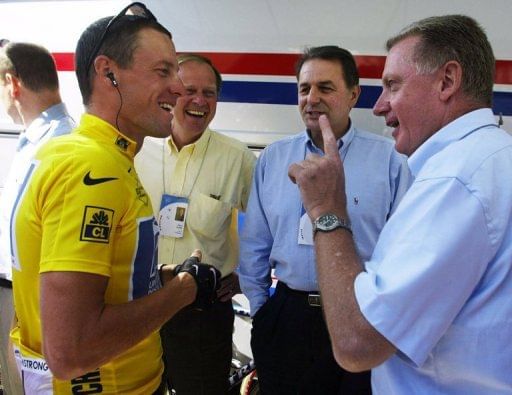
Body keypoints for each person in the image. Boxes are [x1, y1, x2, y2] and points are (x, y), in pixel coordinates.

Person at [288, 15, 512, 394]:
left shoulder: (455, 182)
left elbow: (357, 344)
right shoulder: (491, 159)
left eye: (392, 85)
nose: (380, 106)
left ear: (447, 81)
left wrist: (327, 211)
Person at [9, 3, 220, 394]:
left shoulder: (92, 154)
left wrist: (159, 279)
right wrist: (183, 291)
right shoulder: (94, 168)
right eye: (163, 71)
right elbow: (72, 349)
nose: (177, 87)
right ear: (108, 72)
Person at [238, 45, 411, 394]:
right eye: (304, 89)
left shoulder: (389, 161)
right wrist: (262, 311)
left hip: (360, 315)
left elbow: (403, 249)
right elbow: (255, 241)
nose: (312, 98)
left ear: (353, 94)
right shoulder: (274, 158)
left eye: (325, 88)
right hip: (287, 318)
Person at [135, 53, 256, 395]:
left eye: (210, 93)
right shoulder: (138, 148)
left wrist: (246, 276)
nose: (200, 101)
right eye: (189, 90)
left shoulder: (238, 159)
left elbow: (269, 225)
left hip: (201, 311)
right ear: (171, 91)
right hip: (138, 302)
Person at [0, 41, 75, 395]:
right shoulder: (39, 137)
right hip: (25, 304)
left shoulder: (58, 144)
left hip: (40, 317)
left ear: (13, 84)